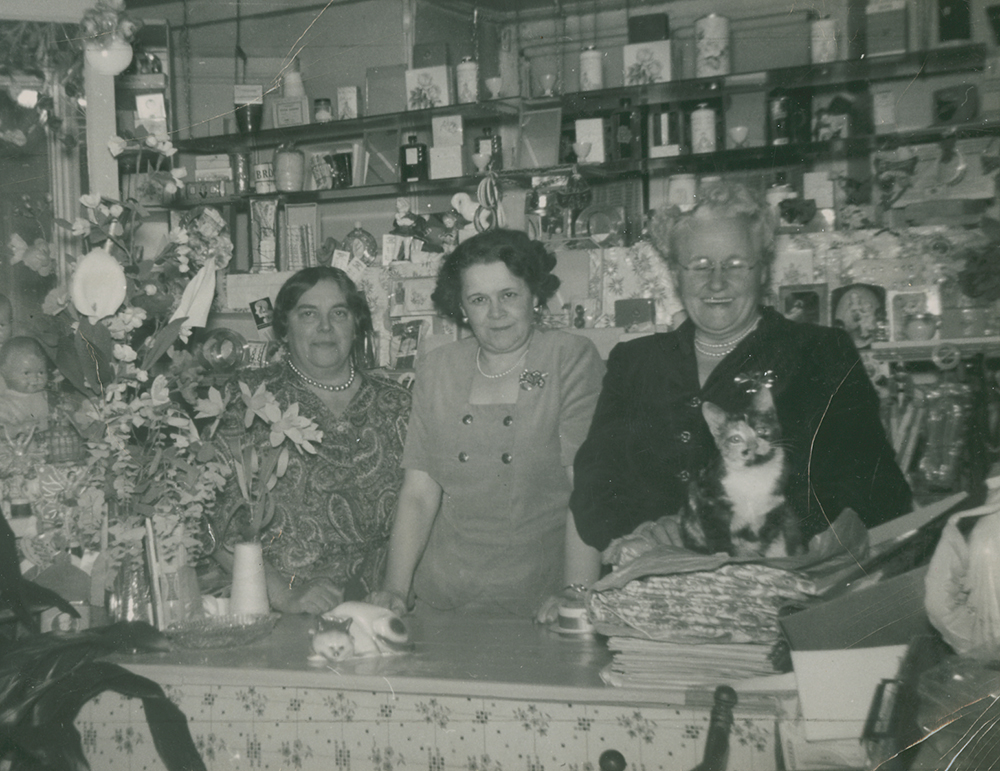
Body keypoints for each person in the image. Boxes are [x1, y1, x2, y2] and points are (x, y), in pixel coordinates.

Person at [571, 181, 912, 551]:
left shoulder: (820, 352)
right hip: (652, 576)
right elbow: (594, 488)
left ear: (762, 271)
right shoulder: (634, 362)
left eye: (736, 264)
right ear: (675, 274)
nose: (717, 282)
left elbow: (877, 489)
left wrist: (717, 529)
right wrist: (644, 531)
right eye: (700, 266)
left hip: (778, 584)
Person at [369, 229, 604, 617]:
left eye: (508, 295)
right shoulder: (438, 367)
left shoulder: (569, 359)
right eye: (478, 300)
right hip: (441, 595)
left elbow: (586, 489)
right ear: (462, 307)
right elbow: (418, 492)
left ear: (534, 295)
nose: (495, 313)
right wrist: (395, 588)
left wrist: (577, 593)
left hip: (540, 600)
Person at [212, 267, 411, 615]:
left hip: (379, 609)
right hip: (275, 606)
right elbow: (212, 519)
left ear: (356, 324)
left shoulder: (397, 404)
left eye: (339, 313)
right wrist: (283, 595)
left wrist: (395, 591)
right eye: (308, 314)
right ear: (285, 329)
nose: (324, 327)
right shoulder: (247, 398)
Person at [0, 336, 50, 434]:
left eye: (41, 372)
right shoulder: (5, 404)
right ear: (5, 373)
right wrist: (18, 429)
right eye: (26, 373)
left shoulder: (44, 396)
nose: (35, 379)